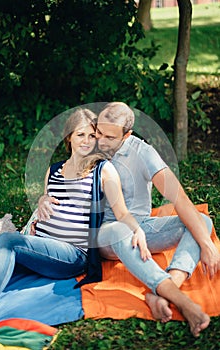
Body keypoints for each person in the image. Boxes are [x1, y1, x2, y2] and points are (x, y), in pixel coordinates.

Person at [0, 108, 151, 319]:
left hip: (72, 255)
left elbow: (121, 212)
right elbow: (47, 204)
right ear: (69, 137)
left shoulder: (103, 169)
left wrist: (138, 230)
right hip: (40, 245)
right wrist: (42, 200)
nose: (86, 141)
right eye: (80, 135)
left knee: (8, 241)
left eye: (92, 135)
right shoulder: (54, 170)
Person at [95, 102, 220, 337]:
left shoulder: (142, 152)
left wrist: (206, 244)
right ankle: (181, 300)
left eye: (109, 137)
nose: (100, 141)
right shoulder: (89, 144)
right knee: (122, 230)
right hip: (105, 234)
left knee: (202, 223)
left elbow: (179, 197)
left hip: (142, 227)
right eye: (98, 132)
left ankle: (161, 294)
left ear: (127, 134)